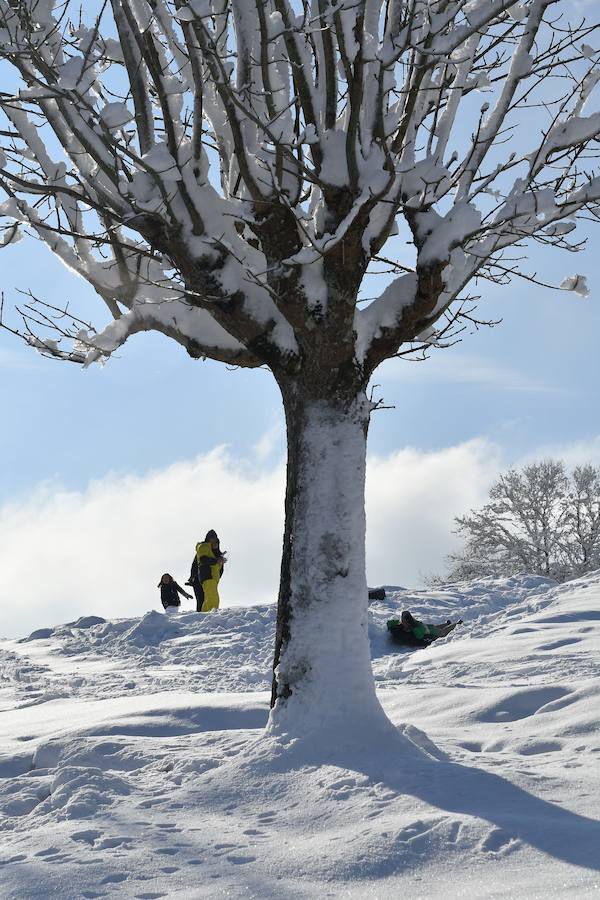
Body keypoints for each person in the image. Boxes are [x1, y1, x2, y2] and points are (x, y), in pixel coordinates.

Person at [190, 529, 226, 612]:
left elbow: (218, 570)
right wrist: (217, 560)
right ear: (208, 539)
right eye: (212, 538)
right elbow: (202, 560)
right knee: (211, 598)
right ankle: (210, 615)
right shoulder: (204, 546)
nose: (214, 540)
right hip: (206, 576)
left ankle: (204, 615)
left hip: (212, 578)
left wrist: (220, 562)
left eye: (215, 539)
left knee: (208, 598)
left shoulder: (214, 553)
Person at [387, 610, 463, 648]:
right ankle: (447, 623)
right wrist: (396, 622)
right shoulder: (402, 625)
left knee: (442, 632)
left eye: (405, 622)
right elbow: (389, 623)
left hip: (429, 631)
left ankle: (456, 624)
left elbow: (420, 636)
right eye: (402, 621)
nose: (404, 624)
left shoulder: (416, 628)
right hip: (427, 627)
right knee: (435, 627)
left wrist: (413, 630)